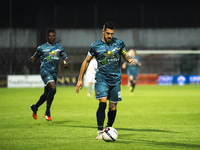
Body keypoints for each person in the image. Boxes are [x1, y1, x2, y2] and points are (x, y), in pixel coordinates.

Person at [75, 22, 134, 140]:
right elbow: (86, 61)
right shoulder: (95, 45)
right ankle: (100, 131)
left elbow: (125, 54)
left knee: (113, 107)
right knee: (102, 103)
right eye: (107, 33)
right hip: (102, 78)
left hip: (116, 80)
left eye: (112, 33)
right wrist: (80, 79)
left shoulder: (119, 43)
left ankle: (108, 128)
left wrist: (129, 59)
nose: (109, 36)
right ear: (103, 31)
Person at [30, 29, 68, 121]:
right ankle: (47, 111)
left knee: (46, 94)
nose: (52, 37)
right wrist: (33, 59)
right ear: (47, 37)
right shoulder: (41, 48)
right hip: (45, 71)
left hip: (54, 72)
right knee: (53, 89)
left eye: (53, 36)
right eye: (50, 36)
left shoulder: (59, 47)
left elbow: (65, 57)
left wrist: (65, 62)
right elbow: (34, 56)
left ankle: (35, 107)